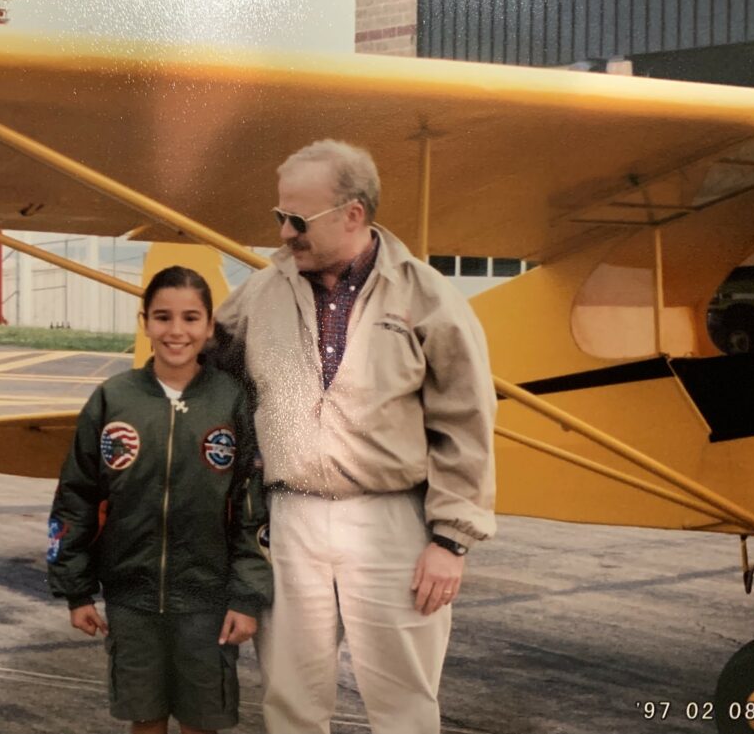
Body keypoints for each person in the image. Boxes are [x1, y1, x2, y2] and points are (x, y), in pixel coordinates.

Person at [213, 140, 497, 734]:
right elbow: (208, 373)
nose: (285, 232)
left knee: (405, 706)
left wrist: (451, 540)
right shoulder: (263, 294)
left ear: (354, 214)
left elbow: (466, 420)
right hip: (289, 519)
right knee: (289, 702)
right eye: (279, 217)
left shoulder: (426, 296)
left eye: (299, 219)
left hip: (394, 522)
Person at [47, 265, 272, 734]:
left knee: (201, 721)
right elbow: (77, 496)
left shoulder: (231, 402)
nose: (176, 331)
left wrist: (246, 597)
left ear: (210, 327)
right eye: (162, 317)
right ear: (144, 321)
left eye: (191, 318)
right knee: (145, 719)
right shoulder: (113, 399)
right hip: (132, 600)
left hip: (208, 601)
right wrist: (76, 589)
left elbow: (252, 508)